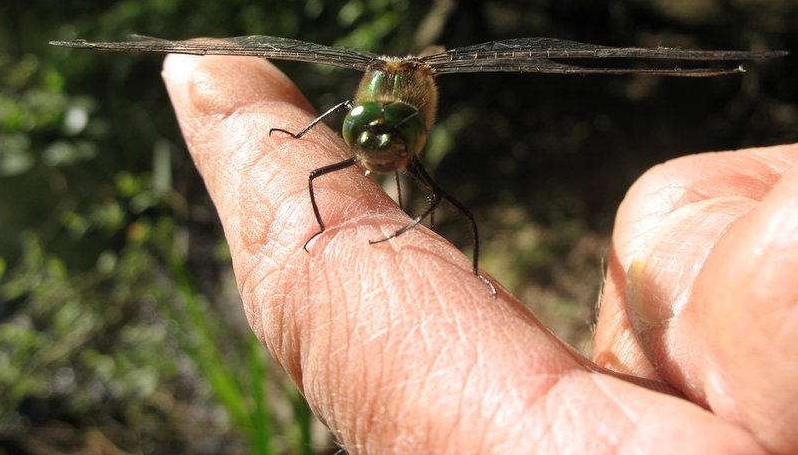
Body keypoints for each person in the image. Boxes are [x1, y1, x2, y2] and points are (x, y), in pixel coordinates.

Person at [162, 53, 797, 454]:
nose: (378, 147)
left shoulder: (409, 132)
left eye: (395, 135)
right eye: (365, 132)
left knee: (449, 210)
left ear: (415, 128)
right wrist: (307, 142)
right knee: (312, 175)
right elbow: (332, 146)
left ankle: (474, 279)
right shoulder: (359, 122)